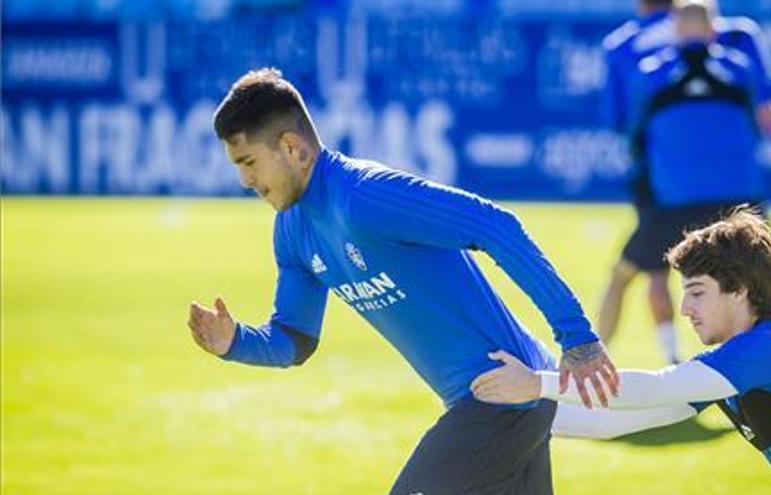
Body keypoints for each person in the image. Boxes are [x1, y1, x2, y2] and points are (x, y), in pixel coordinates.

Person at [185, 68, 618, 494]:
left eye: (249, 162)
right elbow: (294, 340)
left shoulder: (364, 196)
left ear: (292, 147)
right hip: (500, 404)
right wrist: (235, 342)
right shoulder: (292, 229)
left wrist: (577, 339)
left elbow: (497, 226)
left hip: (503, 397)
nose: (245, 181)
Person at [471, 207, 771, 494]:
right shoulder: (733, 364)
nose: (684, 309)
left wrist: (535, 385)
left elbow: (651, 389)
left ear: (739, 290)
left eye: (697, 293)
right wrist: (522, 415)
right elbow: (626, 420)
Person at [597, 0, 771, 365]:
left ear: (675, 30)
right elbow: (759, 113)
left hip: (675, 198)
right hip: (741, 197)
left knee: (624, 277)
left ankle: (587, 365)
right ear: (714, 30)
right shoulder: (740, 65)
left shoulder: (648, 71)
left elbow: (629, 128)